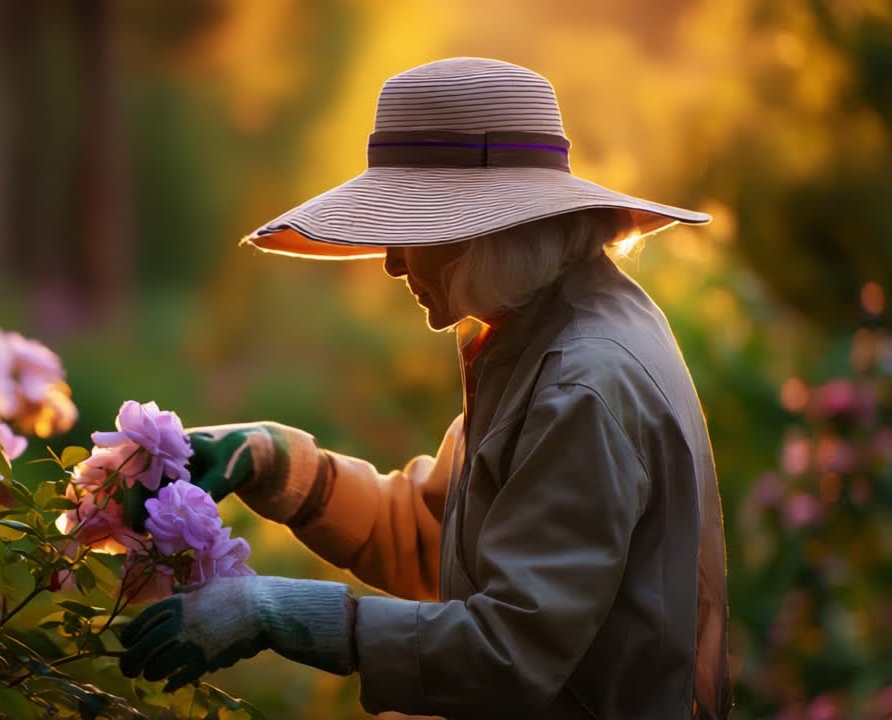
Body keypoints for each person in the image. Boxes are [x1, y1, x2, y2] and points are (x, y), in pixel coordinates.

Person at [118, 57, 732, 720]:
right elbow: (434, 539)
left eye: (410, 228)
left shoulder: (581, 384)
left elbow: (509, 655)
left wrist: (277, 612)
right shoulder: (543, 334)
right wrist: (279, 463)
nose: (389, 261)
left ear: (484, 227)